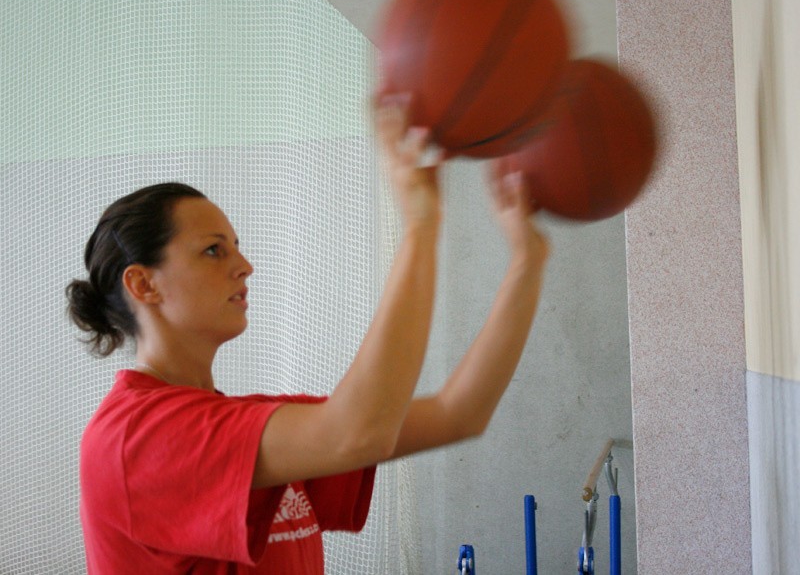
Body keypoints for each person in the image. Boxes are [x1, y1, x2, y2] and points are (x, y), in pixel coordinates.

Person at [66, 95, 550, 574]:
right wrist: (420, 226)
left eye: (237, 247)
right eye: (214, 251)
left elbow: (459, 413)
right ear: (143, 283)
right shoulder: (136, 438)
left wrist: (528, 260)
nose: (245, 266)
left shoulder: (244, 424)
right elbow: (360, 431)